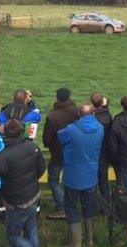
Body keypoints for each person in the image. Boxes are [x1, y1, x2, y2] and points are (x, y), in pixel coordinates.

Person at [0, 119, 46, 247]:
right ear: (21, 131)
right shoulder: (32, 146)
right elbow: (41, 168)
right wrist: (31, 181)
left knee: (13, 236)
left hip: (17, 202)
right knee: (31, 230)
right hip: (34, 195)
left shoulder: (4, 155)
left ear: (5, 134)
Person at [58, 103, 104, 247]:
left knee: (71, 208)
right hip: (91, 175)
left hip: (73, 176)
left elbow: (60, 137)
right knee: (89, 207)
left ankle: (76, 243)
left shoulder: (71, 130)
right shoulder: (100, 129)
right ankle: (89, 240)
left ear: (79, 113)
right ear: (94, 113)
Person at [42, 87, 79, 220]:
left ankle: (62, 207)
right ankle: (70, 204)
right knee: (69, 178)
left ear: (57, 98)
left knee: (53, 179)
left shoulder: (52, 116)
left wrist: (50, 145)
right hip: (75, 151)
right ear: (69, 97)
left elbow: (46, 138)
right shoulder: (78, 112)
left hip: (58, 152)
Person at [90, 92, 114, 201]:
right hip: (103, 154)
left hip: (93, 154)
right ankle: (105, 206)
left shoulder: (92, 118)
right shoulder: (107, 117)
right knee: (103, 181)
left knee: (92, 181)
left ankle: (93, 204)